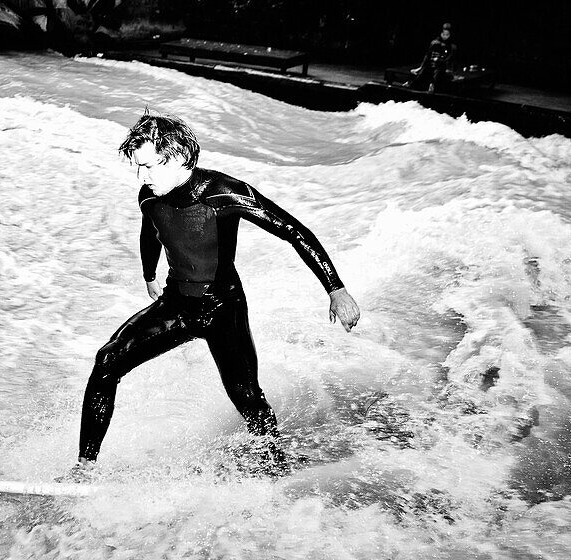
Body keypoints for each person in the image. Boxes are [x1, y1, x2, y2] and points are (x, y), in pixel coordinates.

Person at [66, 112, 361, 479]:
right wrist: (149, 275)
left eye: (149, 167)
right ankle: (84, 468)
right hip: (176, 304)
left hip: (223, 309)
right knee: (108, 360)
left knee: (246, 395)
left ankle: (275, 468)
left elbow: (293, 230)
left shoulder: (226, 193)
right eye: (138, 168)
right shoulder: (149, 195)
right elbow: (151, 230)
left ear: (179, 157)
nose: (142, 178)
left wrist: (336, 290)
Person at [411, 22, 457, 93]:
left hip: (441, 66)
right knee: (424, 71)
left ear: (450, 35)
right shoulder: (435, 42)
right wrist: (421, 67)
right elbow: (428, 55)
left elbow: (450, 58)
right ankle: (411, 85)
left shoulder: (452, 46)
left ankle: (432, 86)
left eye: (447, 35)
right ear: (441, 33)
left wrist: (448, 68)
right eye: (443, 34)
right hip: (431, 64)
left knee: (437, 73)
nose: (445, 36)